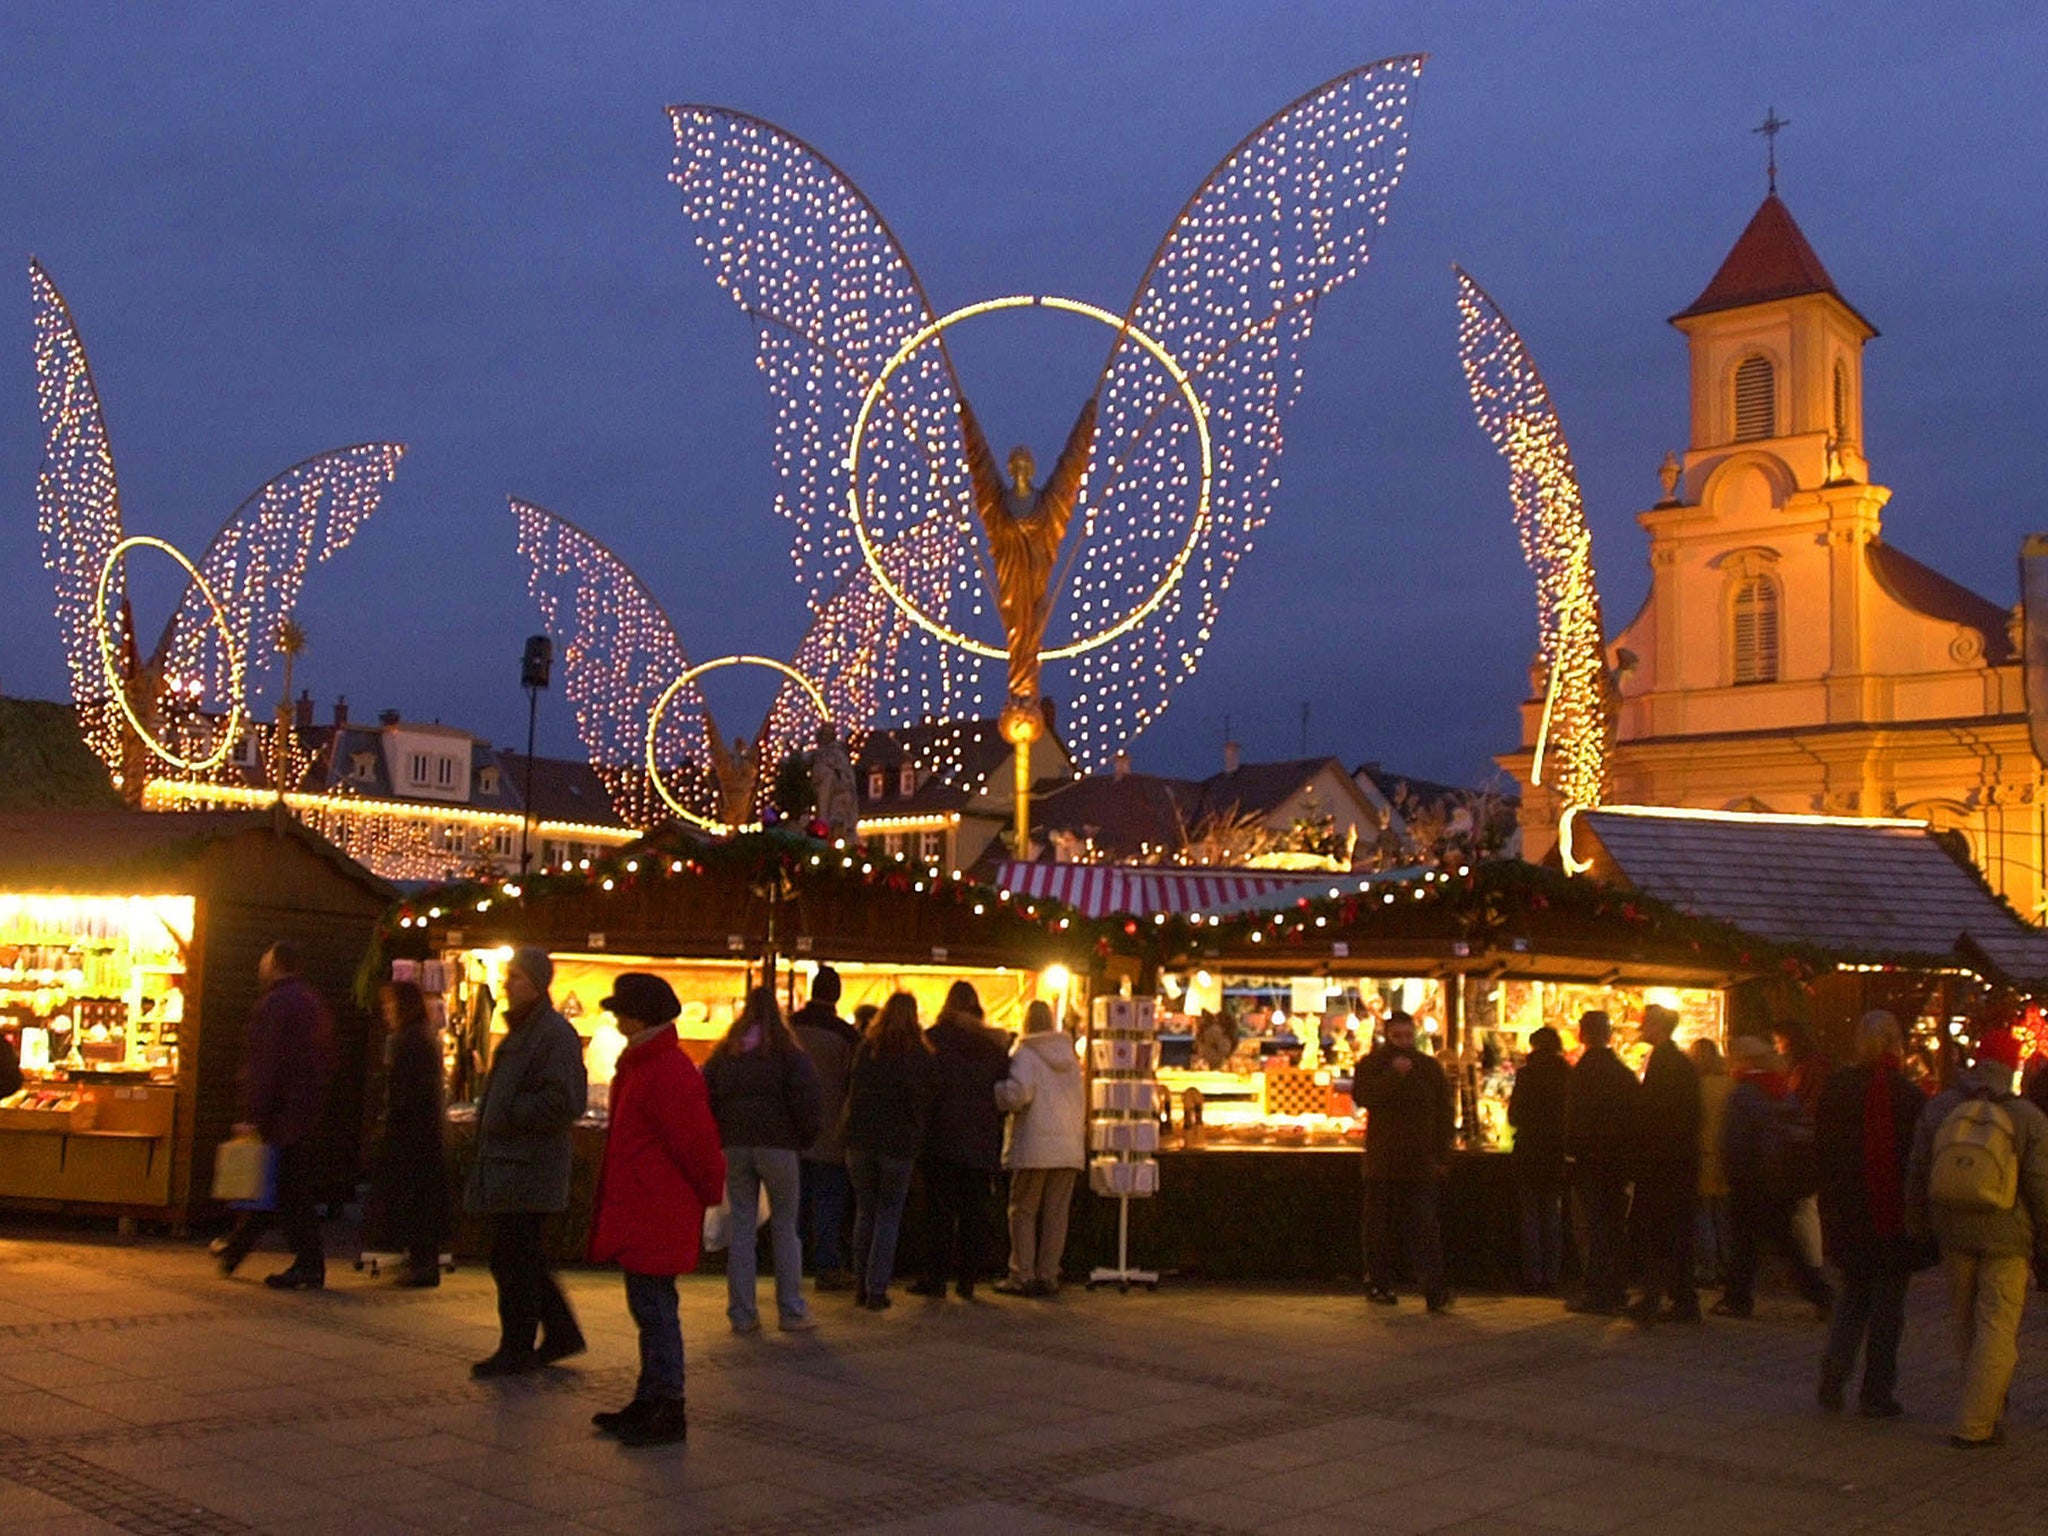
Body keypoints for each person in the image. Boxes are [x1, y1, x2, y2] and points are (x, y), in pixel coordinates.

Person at [588, 973, 726, 1448]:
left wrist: (711, 1193)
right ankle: (650, 1399)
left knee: (657, 1310)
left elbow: (697, 1146)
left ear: (638, 1016)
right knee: (648, 1307)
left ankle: (668, 1405)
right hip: (646, 1206)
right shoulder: (648, 1063)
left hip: (657, 1209)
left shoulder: (664, 1069)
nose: (614, 1017)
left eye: (620, 1010)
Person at [1906, 1025, 2048, 1448]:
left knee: (1967, 1324)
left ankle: (1987, 1405)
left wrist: (1917, 1223)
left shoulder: (1942, 1107)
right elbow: (2041, 1185)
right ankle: (1975, 1423)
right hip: (2008, 1237)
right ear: (2012, 1065)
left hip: (1953, 1230)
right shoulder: (2027, 1117)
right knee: (1997, 1328)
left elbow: (1917, 1169)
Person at [467, 947, 588, 1378]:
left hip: (530, 1166)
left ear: (536, 984)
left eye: (515, 977)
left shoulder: (551, 1034)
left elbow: (565, 1100)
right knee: (521, 1257)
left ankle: (516, 1346)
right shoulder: (523, 1031)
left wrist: (509, 1113)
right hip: (510, 1164)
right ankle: (560, 1333)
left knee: (513, 1258)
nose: (506, 984)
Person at [1815, 1010, 1926, 1418]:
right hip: (1891, 1215)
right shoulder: (1908, 1095)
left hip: (1849, 1212)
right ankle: (1876, 1390)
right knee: (1887, 1307)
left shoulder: (1838, 1088)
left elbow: (1822, 1153)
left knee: (1853, 1297)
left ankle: (1833, 1374)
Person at [703, 986, 824, 1335]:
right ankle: (791, 1310)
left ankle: (742, 1312)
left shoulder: (726, 1053)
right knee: (785, 1227)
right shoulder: (789, 1053)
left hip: (735, 1145)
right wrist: (803, 1139)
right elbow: (808, 1102)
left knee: (742, 1227)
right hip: (779, 1145)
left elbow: (706, 1094)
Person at [216, 943, 336, 1291]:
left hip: (282, 1116)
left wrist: (253, 1114)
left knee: (286, 1190)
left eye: (264, 959)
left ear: (277, 964)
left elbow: (265, 1064)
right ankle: (235, 1250)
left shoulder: (276, 1004)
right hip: (303, 1111)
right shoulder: (312, 1002)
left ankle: (309, 1264)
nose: (260, 966)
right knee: (278, 1185)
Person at [1714, 1036, 1832, 1320]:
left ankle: (1740, 1298)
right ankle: (1818, 1293)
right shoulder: (1779, 1088)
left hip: (1753, 1179)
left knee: (1748, 1241)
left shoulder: (1744, 1093)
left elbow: (1737, 1141)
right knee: (1780, 1241)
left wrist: (1733, 1172)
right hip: (1779, 1180)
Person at [844, 992, 940, 1310]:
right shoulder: (920, 1055)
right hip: (898, 1146)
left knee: (865, 1211)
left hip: (861, 1141)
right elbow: (926, 1101)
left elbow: (852, 1091)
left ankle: (860, 1282)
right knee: (888, 1215)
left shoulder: (867, 1049)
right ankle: (876, 1287)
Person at [914, 981, 1010, 1299]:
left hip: (940, 1139)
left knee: (939, 1213)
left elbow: (925, 1088)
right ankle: (967, 1280)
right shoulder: (992, 1046)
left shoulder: (934, 1040)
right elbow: (1003, 1092)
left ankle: (935, 1278)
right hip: (981, 1141)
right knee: (973, 1214)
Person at [1353, 1010, 1454, 1311]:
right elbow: (1364, 1097)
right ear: (1387, 1036)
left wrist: (1441, 1154)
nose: (1403, 1042)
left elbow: (1444, 1112)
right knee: (1380, 1228)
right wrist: (1393, 1076)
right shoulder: (1374, 1065)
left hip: (1417, 1161)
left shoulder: (1428, 1068)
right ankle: (1382, 1284)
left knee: (1423, 1228)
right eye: (1397, 1037)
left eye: (1407, 1036)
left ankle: (1433, 1290)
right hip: (1384, 1161)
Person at [993, 1001, 1086, 1297]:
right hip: (1068, 1147)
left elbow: (1018, 1095)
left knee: (1023, 1210)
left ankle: (1022, 1273)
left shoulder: (1026, 1054)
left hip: (1035, 1146)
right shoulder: (1070, 1057)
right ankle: (1049, 1274)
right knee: (1057, 1213)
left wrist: (997, 1093)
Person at [365, 980, 448, 1287]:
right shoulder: (422, 1037)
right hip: (423, 1135)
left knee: (414, 1201)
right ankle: (421, 1262)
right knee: (420, 1202)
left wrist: (389, 1122)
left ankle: (422, 1265)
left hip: (412, 1136)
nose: (386, 1012)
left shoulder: (409, 1040)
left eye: (390, 1005)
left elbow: (405, 1091)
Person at [1629, 1005, 1702, 1324]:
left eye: (1645, 1024)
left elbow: (1652, 1112)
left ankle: (1660, 1297)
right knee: (1673, 1232)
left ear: (1657, 1026)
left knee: (1660, 1231)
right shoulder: (1680, 1062)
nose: (1641, 1028)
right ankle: (1676, 1297)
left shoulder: (1664, 1061)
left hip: (1663, 1164)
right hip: (1678, 1161)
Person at [1563, 1010, 1639, 1315]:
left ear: (1583, 1034)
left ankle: (1596, 1291)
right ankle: (1616, 1287)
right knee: (1613, 1226)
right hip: (1617, 1163)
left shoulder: (1583, 1072)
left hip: (1590, 1162)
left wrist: (1571, 1154)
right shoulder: (1622, 1072)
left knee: (1595, 1227)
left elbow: (1575, 1119)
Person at [792, 967, 860, 1292]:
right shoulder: (846, 1036)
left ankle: (792, 1262)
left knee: (794, 1201)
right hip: (831, 1131)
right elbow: (854, 1085)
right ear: (837, 995)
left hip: (792, 1132)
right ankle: (827, 1265)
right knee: (828, 1202)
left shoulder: (790, 1026)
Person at [1507, 1026, 1570, 1293]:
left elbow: (1514, 1116)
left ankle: (1533, 1275)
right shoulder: (1568, 1074)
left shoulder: (1527, 1074)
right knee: (1552, 1214)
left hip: (1530, 1150)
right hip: (1556, 1152)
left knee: (1530, 1215)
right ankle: (1553, 1275)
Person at [1775, 1020, 1832, 1271]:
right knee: (1806, 1208)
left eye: (1780, 1041)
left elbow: (1803, 1102)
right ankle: (1809, 1264)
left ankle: (1811, 1264)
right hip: (1810, 1141)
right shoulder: (1814, 1065)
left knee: (1805, 1207)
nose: (1778, 1046)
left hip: (1806, 1143)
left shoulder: (1808, 1069)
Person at [1691, 1038, 1734, 1287]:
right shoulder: (1730, 1084)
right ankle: (1727, 1265)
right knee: (1723, 1216)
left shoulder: (1697, 1086)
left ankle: (1707, 1268)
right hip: (1725, 1157)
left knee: (1703, 1214)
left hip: (1704, 1155)